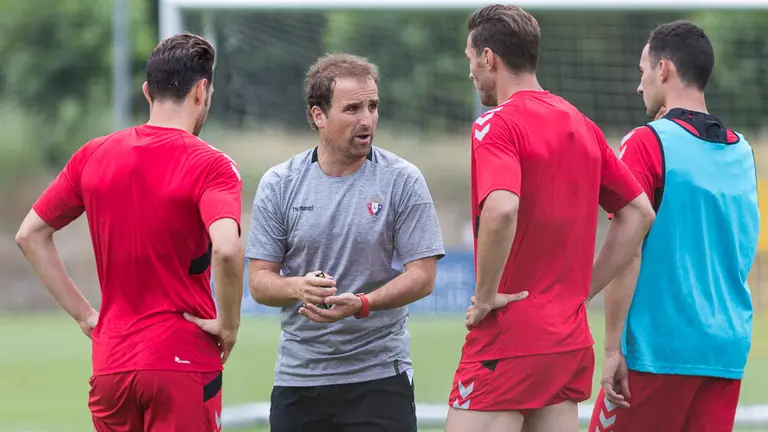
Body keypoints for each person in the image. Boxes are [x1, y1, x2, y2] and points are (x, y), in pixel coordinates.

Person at [14, 32, 244, 431]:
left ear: (146, 91)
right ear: (202, 91)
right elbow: (227, 249)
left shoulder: (93, 155)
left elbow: (30, 235)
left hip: (111, 365)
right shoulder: (212, 164)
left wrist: (86, 316)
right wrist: (229, 324)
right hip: (181, 361)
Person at [445, 5, 656, 432]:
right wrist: (584, 289)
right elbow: (639, 211)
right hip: (567, 341)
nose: (471, 72)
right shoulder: (581, 123)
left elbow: (502, 209)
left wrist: (484, 297)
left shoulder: (497, 124)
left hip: (509, 337)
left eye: (470, 60)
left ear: (489, 58)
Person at [246, 52, 445, 432]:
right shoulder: (279, 183)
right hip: (299, 379)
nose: (367, 119)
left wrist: (363, 304)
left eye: (373, 106)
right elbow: (259, 282)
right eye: (352, 108)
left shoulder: (402, 179)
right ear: (318, 115)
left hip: (380, 376)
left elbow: (423, 275)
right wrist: (297, 287)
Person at [589, 20, 760, 432]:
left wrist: (612, 348)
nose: (639, 85)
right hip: (726, 352)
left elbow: (628, 248)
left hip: (659, 348)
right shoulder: (743, 152)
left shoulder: (647, 142)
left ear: (663, 70)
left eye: (642, 71)